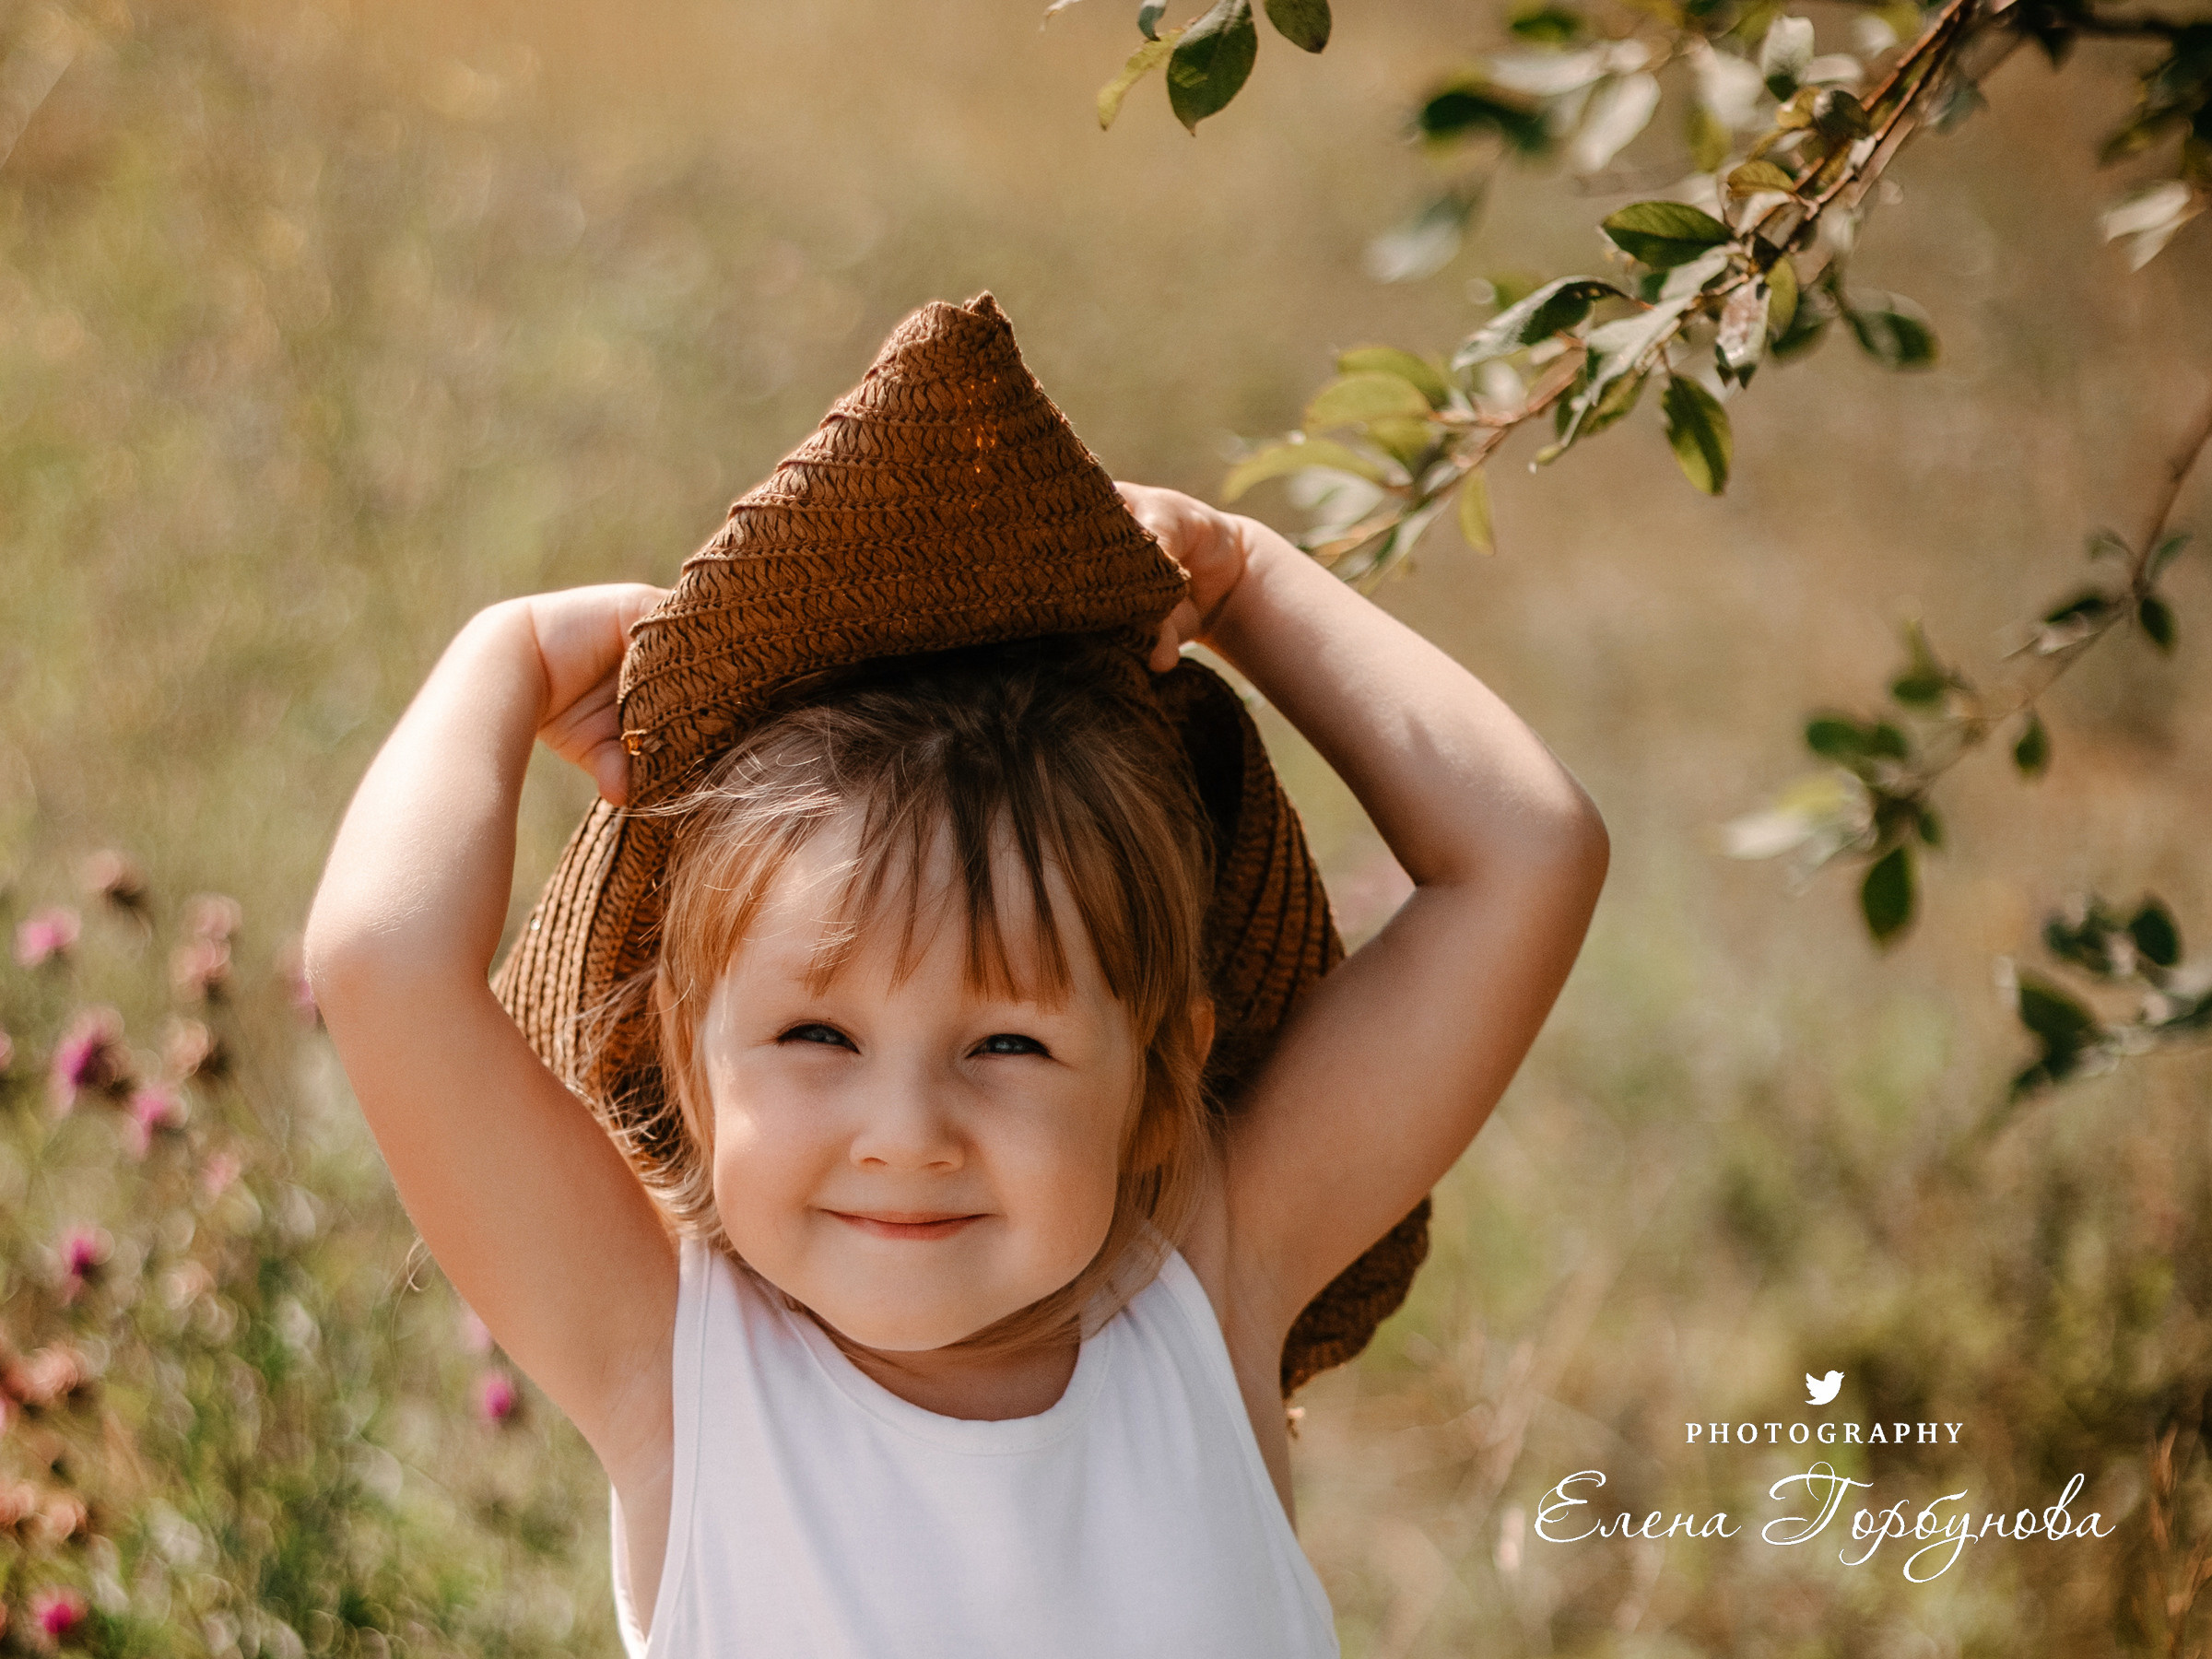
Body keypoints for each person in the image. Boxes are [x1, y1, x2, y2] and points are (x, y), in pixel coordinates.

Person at [304, 297, 1607, 1657]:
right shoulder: (677, 1371)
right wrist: (499, 659)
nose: (908, 1137)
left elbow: (1530, 855)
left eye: (1006, 1048)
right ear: (690, 1067)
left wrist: (1249, 585)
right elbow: (381, 963)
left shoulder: (1204, 1293)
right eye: (817, 1035)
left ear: (1158, 1076)